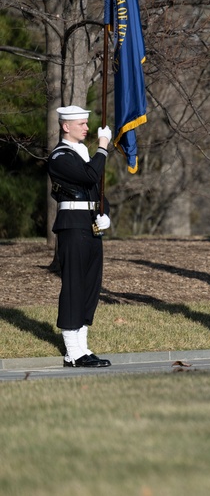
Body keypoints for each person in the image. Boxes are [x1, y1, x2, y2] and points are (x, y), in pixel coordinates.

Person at [48, 105, 114, 368]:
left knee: (90, 286)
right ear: (66, 127)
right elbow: (90, 175)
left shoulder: (82, 153)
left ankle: (83, 348)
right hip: (72, 226)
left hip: (90, 225)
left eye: (87, 123)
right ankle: (72, 352)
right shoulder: (59, 156)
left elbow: (98, 189)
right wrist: (104, 146)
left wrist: (104, 212)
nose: (87, 128)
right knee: (74, 285)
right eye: (82, 124)